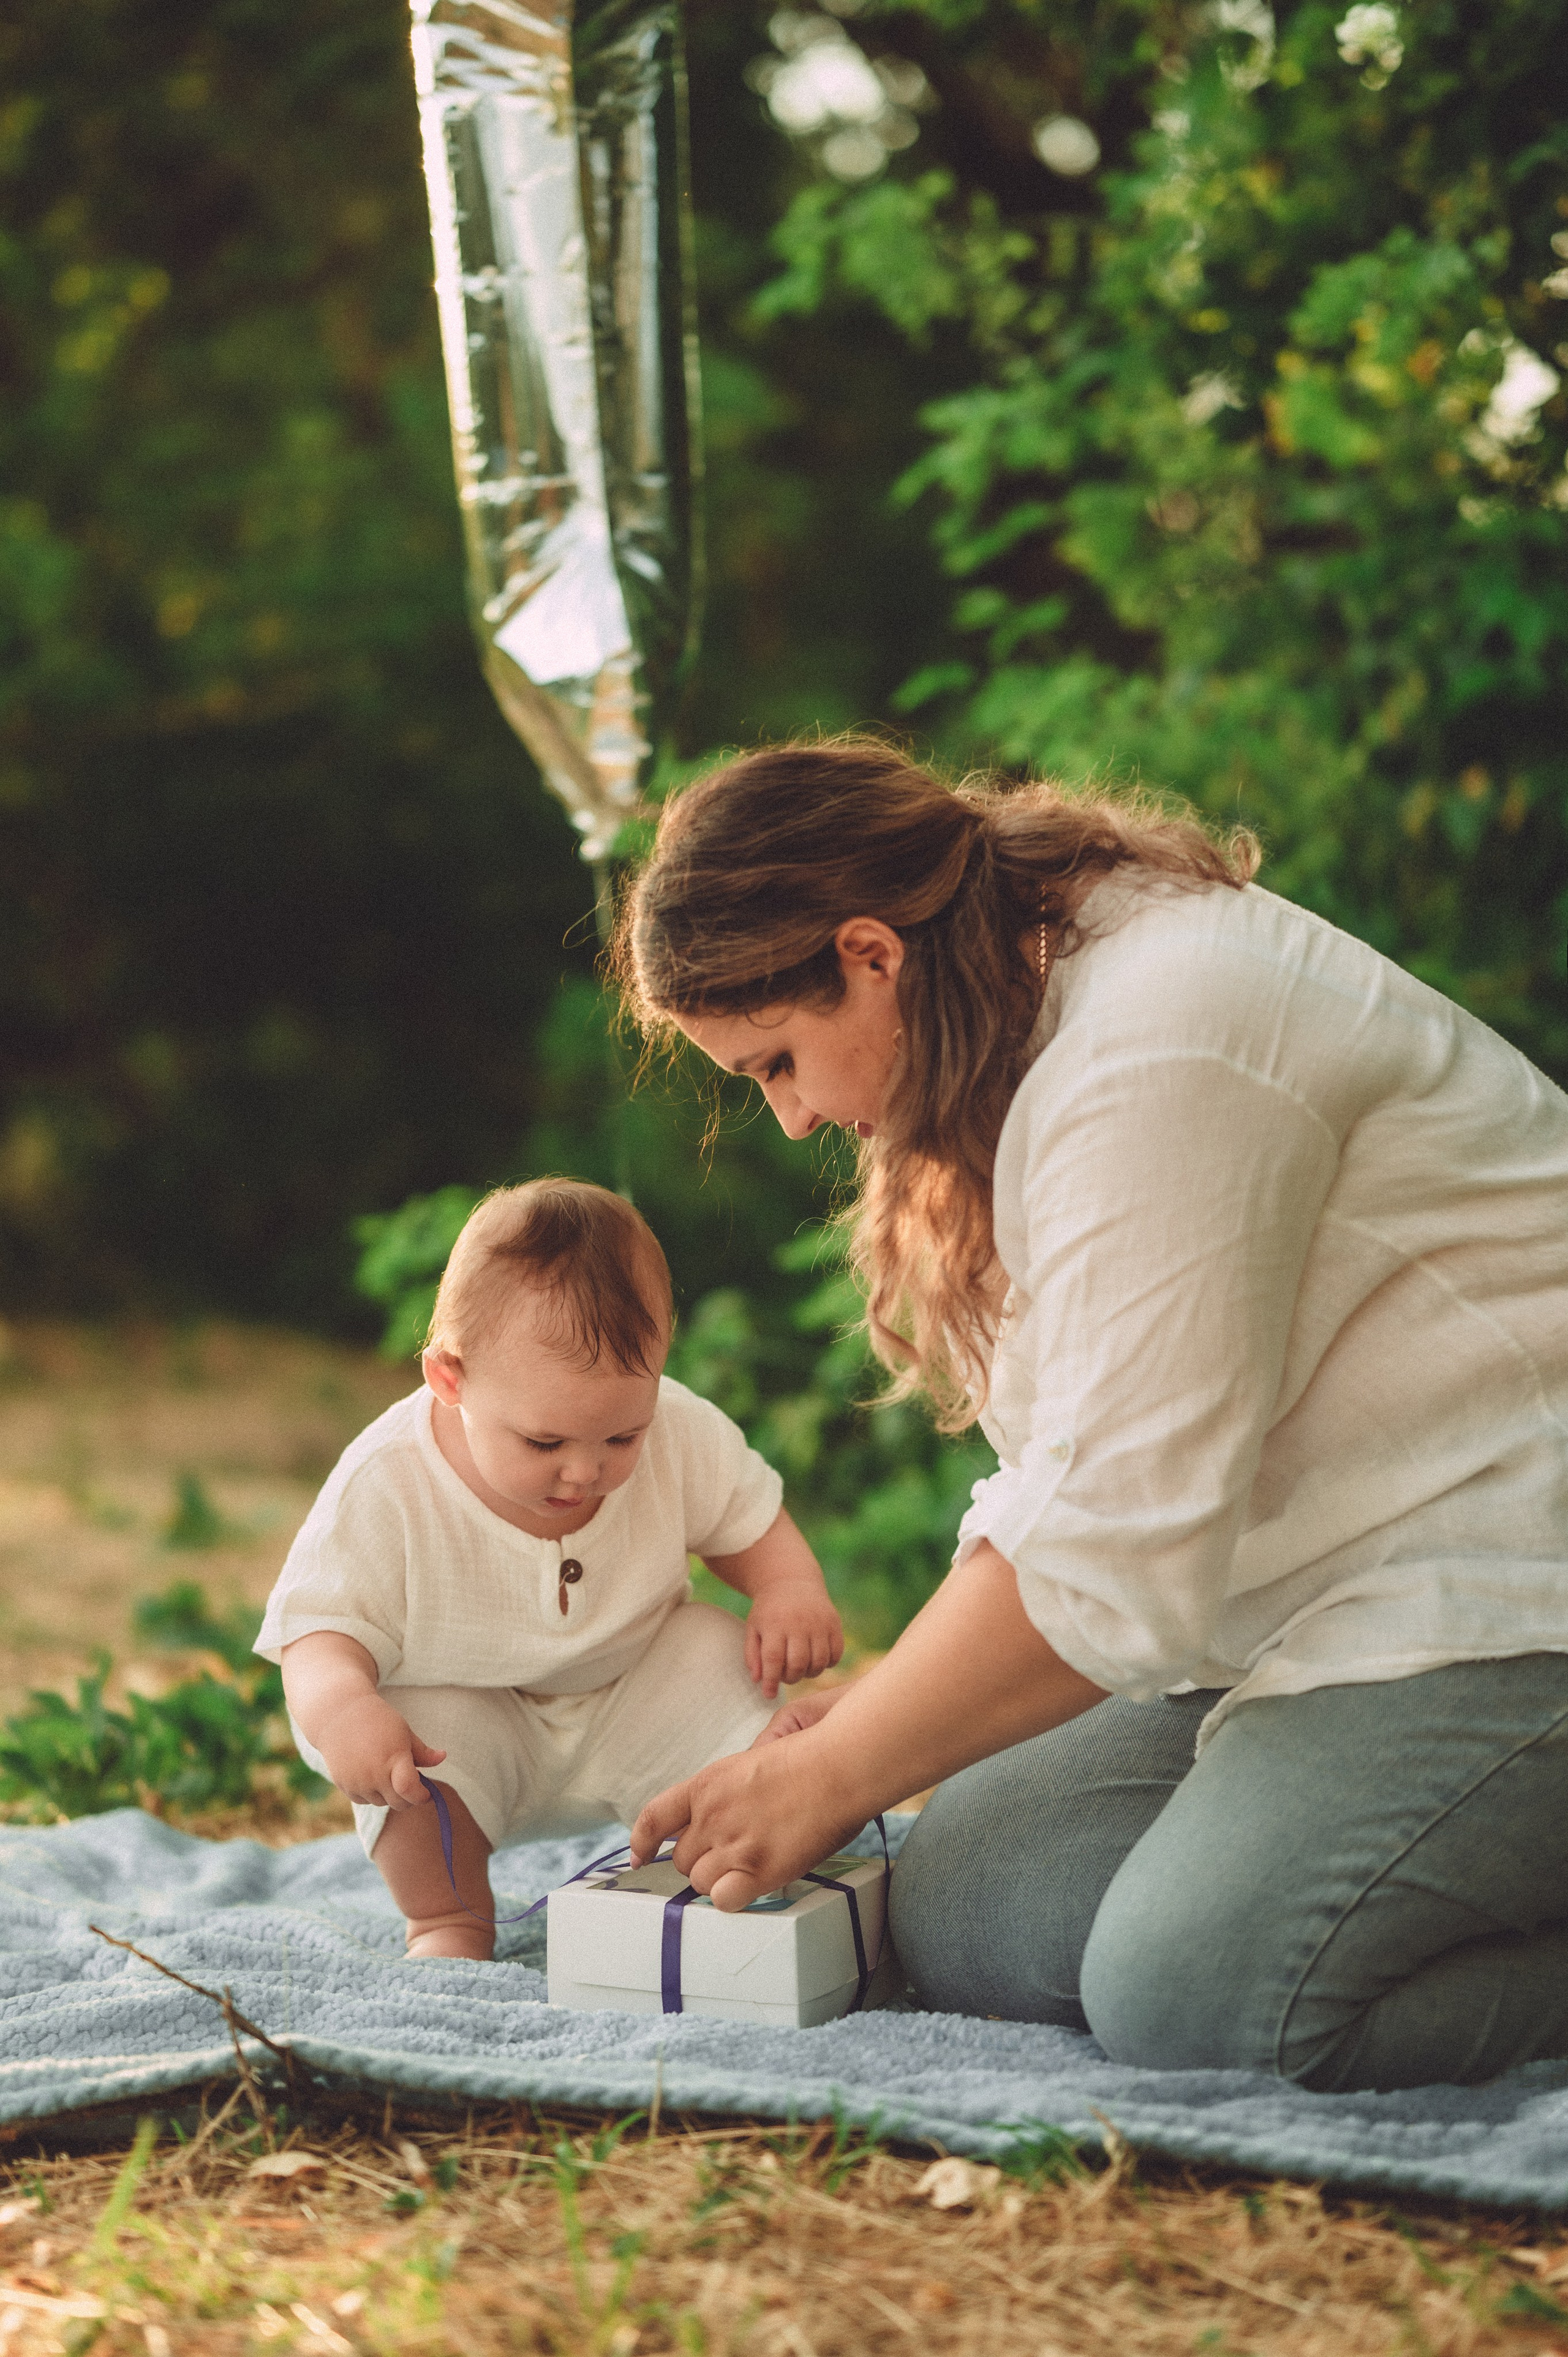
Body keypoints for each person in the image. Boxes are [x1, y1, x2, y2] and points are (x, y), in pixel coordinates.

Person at [613, 737, 1568, 2091]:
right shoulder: (1027, 1010)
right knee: (968, 1897)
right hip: (1316, 1606)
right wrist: (878, 1721)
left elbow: (1121, 1535)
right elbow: (1073, 1475)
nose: (791, 1118)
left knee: (1192, 1996)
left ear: (871, 953)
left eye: (777, 1062)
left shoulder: (1165, 1035)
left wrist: (837, 1778)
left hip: (1510, 1583)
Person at [257, 1178, 842, 1958]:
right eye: (545, 1443)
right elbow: (319, 1628)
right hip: (468, 1717)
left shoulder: (677, 1429)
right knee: (416, 1774)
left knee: (720, 1662)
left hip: (638, 1686)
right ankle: (448, 1917)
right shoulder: (387, 1482)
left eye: (621, 1438)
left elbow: (746, 1516)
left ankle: (735, 1861)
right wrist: (342, 1712)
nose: (585, 1471)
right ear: (450, 1379)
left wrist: (789, 1586)